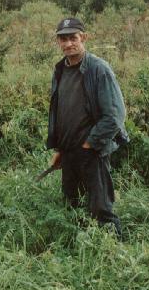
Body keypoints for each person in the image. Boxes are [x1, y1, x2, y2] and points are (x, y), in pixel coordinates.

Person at [46, 17, 129, 237]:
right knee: (72, 207)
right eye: (63, 39)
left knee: (101, 210)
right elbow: (61, 112)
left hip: (92, 151)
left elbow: (114, 115)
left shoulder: (98, 69)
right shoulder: (60, 70)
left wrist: (89, 144)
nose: (68, 44)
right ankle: (78, 253)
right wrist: (59, 150)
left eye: (73, 38)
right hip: (69, 151)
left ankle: (115, 255)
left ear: (84, 37)